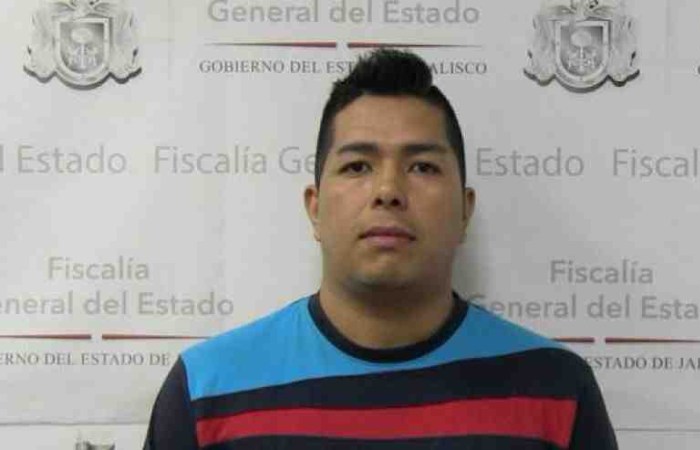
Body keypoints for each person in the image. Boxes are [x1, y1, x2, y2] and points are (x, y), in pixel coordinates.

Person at [143, 49, 618, 450]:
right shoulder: (206, 391)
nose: (388, 190)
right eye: (357, 166)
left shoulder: (557, 392)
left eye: (423, 167)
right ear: (314, 208)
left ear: (465, 211)